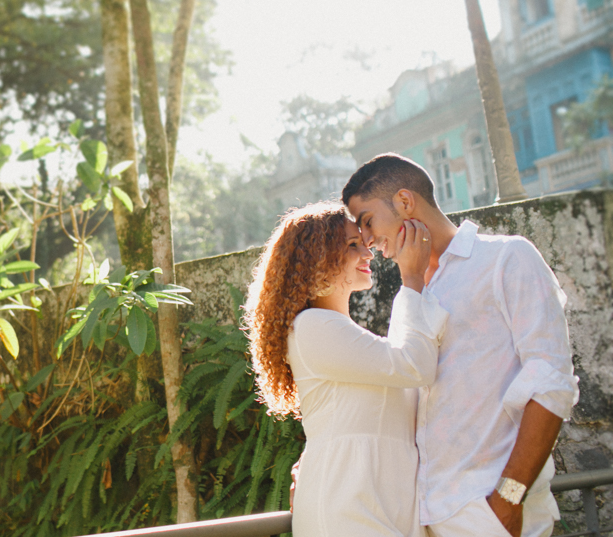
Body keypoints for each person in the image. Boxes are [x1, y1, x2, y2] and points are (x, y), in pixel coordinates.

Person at [342, 153, 578, 537]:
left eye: (367, 221)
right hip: (425, 514)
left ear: (404, 202)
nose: (366, 240)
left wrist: (508, 497)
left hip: (489, 510)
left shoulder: (505, 258)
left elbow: (551, 381)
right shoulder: (413, 290)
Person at [246, 201, 448, 536]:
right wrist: (412, 277)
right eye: (352, 245)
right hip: (348, 505)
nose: (368, 255)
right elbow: (416, 366)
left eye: (365, 244)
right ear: (315, 259)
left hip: (384, 502)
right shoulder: (312, 326)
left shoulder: (342, 334)